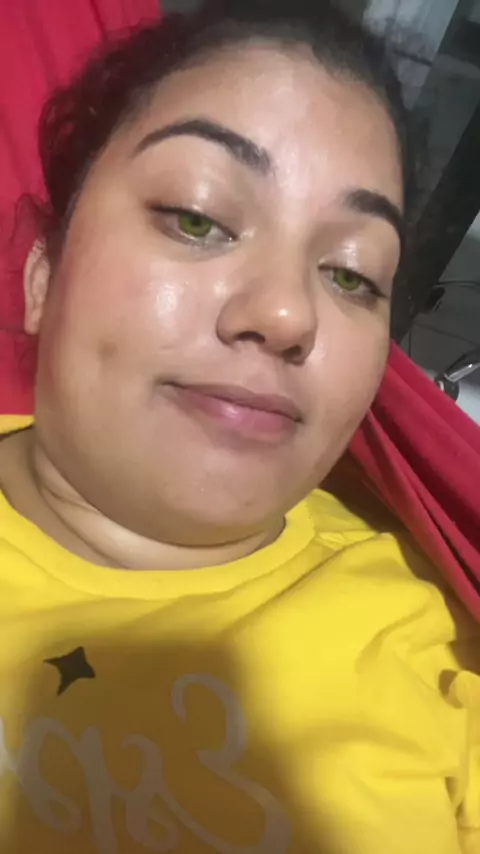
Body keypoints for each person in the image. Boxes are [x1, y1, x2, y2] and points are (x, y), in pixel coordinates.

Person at [0, 1, 478, 852]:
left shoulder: (428, 638)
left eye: (351, 273)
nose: (288, 312)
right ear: (42, 273)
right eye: (199, 218)